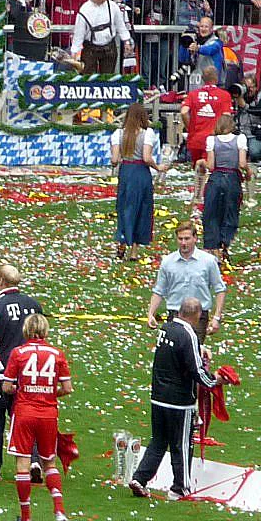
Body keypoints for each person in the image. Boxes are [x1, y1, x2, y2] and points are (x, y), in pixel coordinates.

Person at [129, 297, 218, 501]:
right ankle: (180, 487)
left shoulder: (166, 329)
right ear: (196, 315)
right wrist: (215, 381)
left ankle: (140, 478)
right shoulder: (189, 335)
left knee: (158, 441)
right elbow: (196, 369)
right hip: (179, 402)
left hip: (158, 397)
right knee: (182, 444)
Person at [1, 314, 72, 521]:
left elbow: (6, 387)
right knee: (49, 462)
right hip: (48, 414)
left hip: (24, 412)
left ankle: (26, 518)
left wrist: (21, 389)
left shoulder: (18, 353)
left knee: (23, 463)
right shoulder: (57, 354)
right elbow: (67, 388)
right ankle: (59, 511)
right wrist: (49, 393)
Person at [0, 264, 44, 483]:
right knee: (26, 419)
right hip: (30, 372)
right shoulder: (34, 305)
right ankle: (34, 460)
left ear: (0, 281)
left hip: (2, 371)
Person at [147, 221, 227, 344]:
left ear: (195, 238)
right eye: (180, 239)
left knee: (194, 354)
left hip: (198, 316)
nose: (183, 243)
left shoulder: (208, 261)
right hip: (175, 314)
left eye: (187, 238)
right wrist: (151, 314)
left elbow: (220, 289)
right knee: (174, 356)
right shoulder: (168, 262)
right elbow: (159, 291)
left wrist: (216, 317)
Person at [110, 103, 168, 262]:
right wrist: (158, 167)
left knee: (124, 207)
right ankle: (134, 250)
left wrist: (117, 160)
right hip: (141, 173)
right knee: (141, 208)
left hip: (126, 172)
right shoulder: (147, 134)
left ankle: (122, 241)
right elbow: (146, 157)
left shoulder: (118, 134)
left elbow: (114, 160)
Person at [196, 114, 247, 262]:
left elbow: (211, 165)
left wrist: (201, 162)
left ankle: (215, 247)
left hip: (216, 178)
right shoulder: (240, 139)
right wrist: (248, 171)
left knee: (212, 213)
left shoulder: (212, 140)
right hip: (232, 178)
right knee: (231, 212)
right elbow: (242, 164)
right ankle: (225, 242)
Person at [180, 64, 232, 188]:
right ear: (217, 78)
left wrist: (190, 127)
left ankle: (198, 194)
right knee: (211, 169)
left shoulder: (193, 94)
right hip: (214, 138)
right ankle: (206, 196)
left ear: (203, 78)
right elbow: (226, 116)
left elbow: (183, 111)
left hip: (196, 137)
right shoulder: (224, 95)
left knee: (198, 170)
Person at [70, 0, 133, 74]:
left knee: (107, 80)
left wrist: (127, 42)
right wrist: (75, 53)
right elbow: (79, 34)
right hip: (90, 49)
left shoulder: (113, 6)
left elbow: (121, 26)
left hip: (109, 48)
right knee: (88, 79)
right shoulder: (84, 10)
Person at [235, 72, 261, 164]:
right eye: (246, 87)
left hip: (255, 134)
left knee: (254, 152)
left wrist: (244, 106)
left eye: (251, 87)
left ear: (256, 87)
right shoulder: (237, 97)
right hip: (240, 133)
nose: (249, 90)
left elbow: (260, 110)